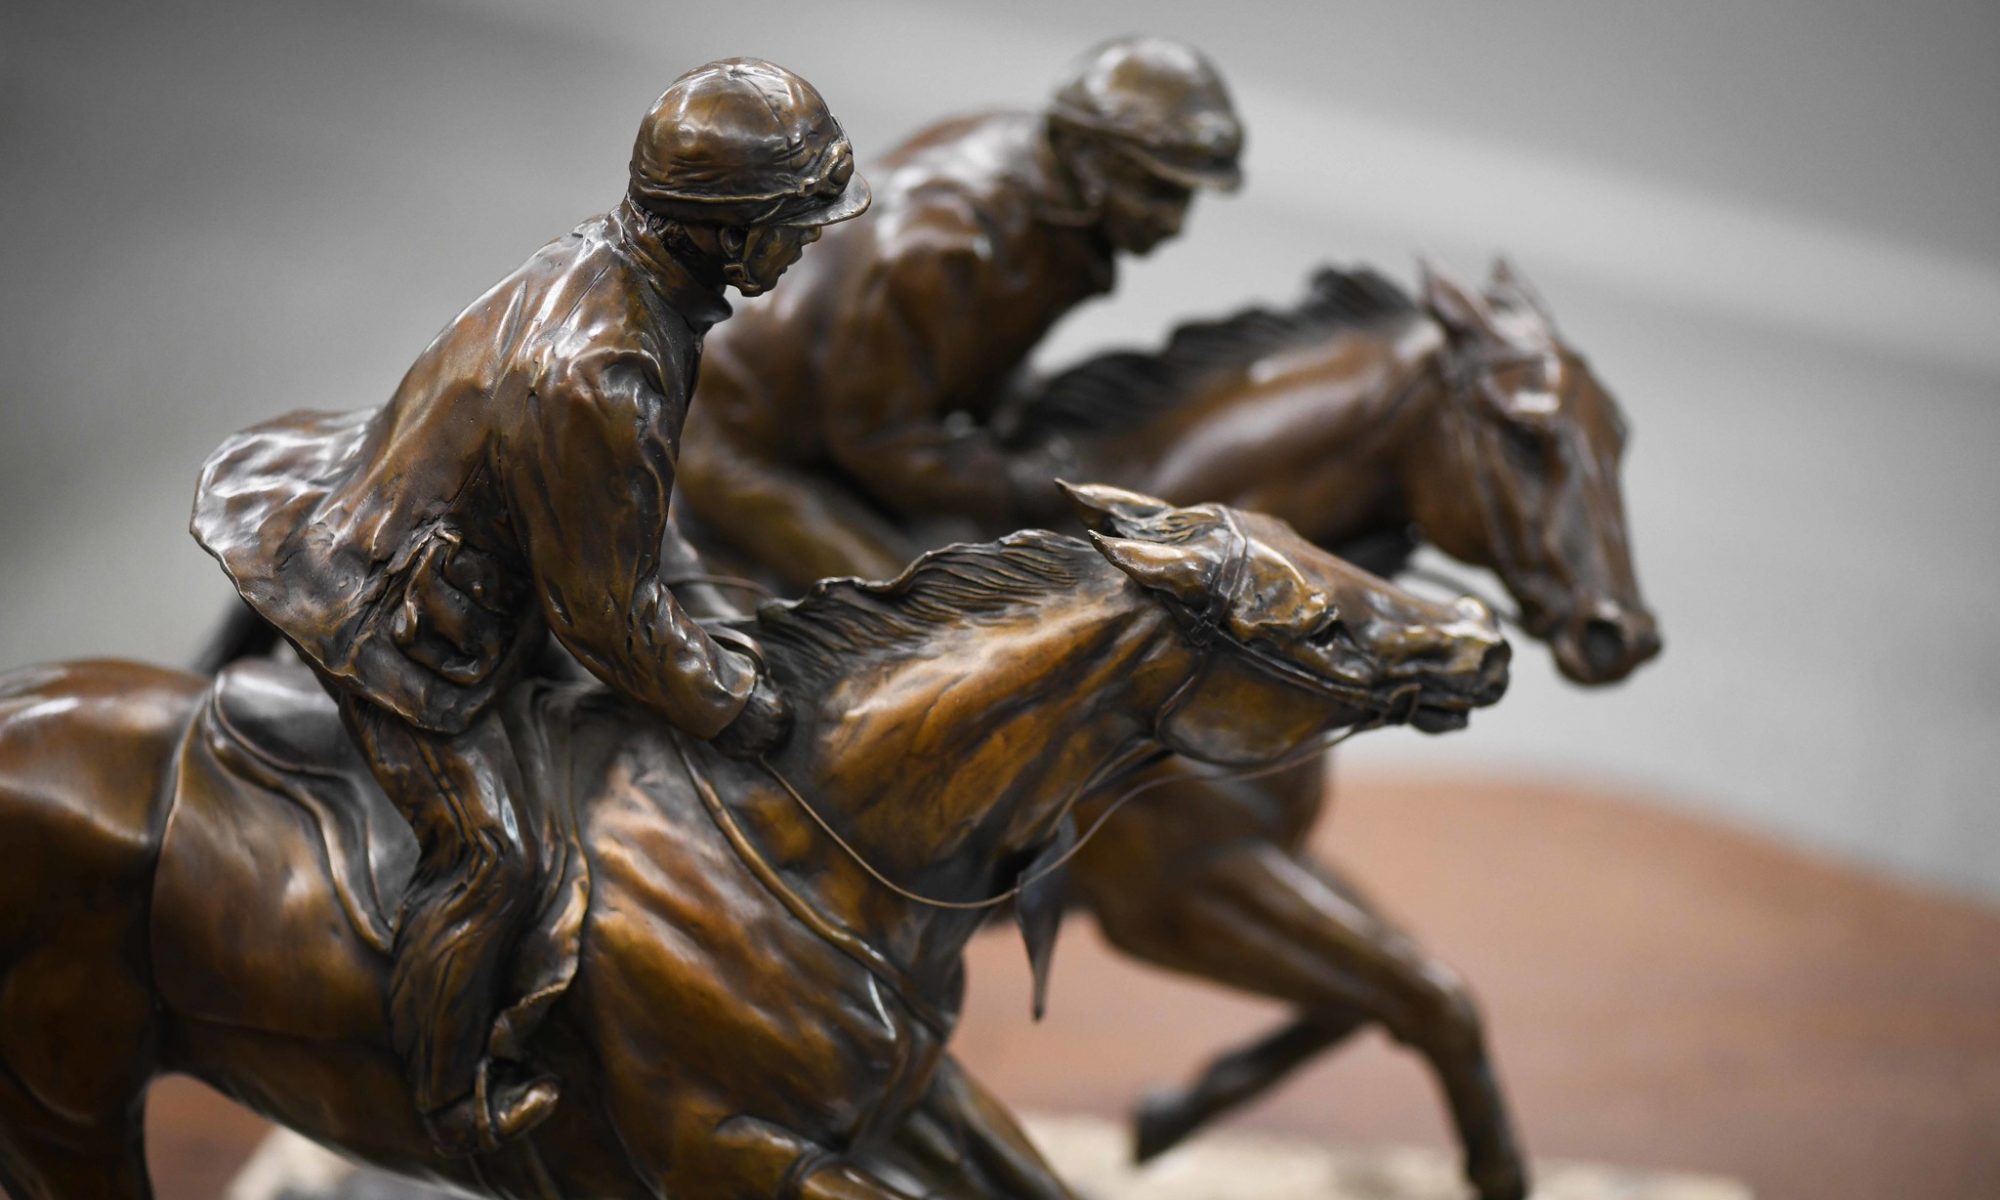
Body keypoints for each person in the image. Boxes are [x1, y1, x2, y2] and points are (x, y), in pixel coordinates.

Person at [189, 58, 869, 1155]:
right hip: (403, 625)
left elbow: (633, 523)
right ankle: (452, 1099)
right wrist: (736, 704)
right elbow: (602, 621)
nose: (806, 244)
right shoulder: (603, 370)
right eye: (792, 222)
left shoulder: (629, 278)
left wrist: (713, 611)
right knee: (495, 856)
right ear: (725, 231)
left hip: (449, 541)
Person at [676, 35, 1244, 587]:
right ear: (1085, 156)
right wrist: (1020, 482)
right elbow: (877, 438)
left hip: (856, 419)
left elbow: (971, 350)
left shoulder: (1055, 197)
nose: (1173, 225)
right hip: (750, 447)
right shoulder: (941, 247)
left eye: (1184, 197)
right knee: (933, 628)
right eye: (1156, 191)